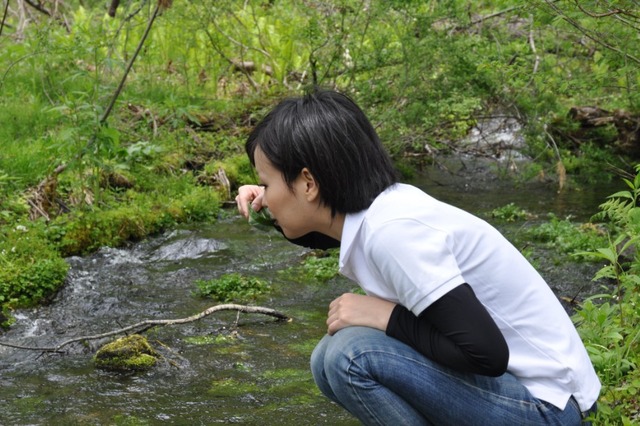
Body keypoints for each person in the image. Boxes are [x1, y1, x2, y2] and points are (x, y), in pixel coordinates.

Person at [235, 88, 600, 425]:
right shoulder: (377, 214)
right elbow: (312, 230)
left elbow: (487, 355)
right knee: (325, 361)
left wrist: (386, 316)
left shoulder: (394, 233)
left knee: (349, 354)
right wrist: (265, 207)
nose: (264, 194)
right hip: (520, 393)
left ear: (308, 183)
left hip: (549, 407)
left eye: (267, 183)